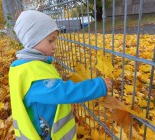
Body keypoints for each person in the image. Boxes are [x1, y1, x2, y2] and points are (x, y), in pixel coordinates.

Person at [9, 10, 112, 140]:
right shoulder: (34, 74)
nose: (55, 46)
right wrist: (99, 86)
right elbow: (64, 92)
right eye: (50, 41)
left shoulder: (24, 66)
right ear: (32, 41)